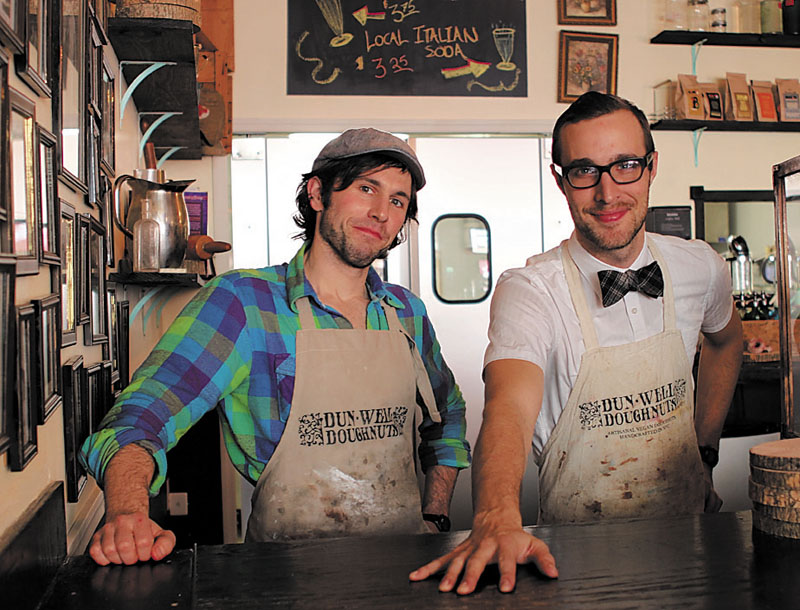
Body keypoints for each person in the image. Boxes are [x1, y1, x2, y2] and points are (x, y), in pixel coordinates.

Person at [80, 128, 471, 566]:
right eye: (367, 189)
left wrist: (435, 516)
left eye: (398, 201)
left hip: (402, 566)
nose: (381, 212)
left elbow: (447, 415)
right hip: (283, 575)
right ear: (318, 193)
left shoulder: (406, 312)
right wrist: (128, 511)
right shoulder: (242, 303)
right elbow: (141, 414)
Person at [410, 92, 743, 594]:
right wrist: (497, 515)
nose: (607, 193)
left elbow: (726, 342)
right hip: (574, 560)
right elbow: (508, 408)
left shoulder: (700, 267)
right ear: (559, 180)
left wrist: (705, 450)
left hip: (688, 539)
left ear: (652, 167)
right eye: (585, 171)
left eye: (625, 166)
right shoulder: (529, 290)